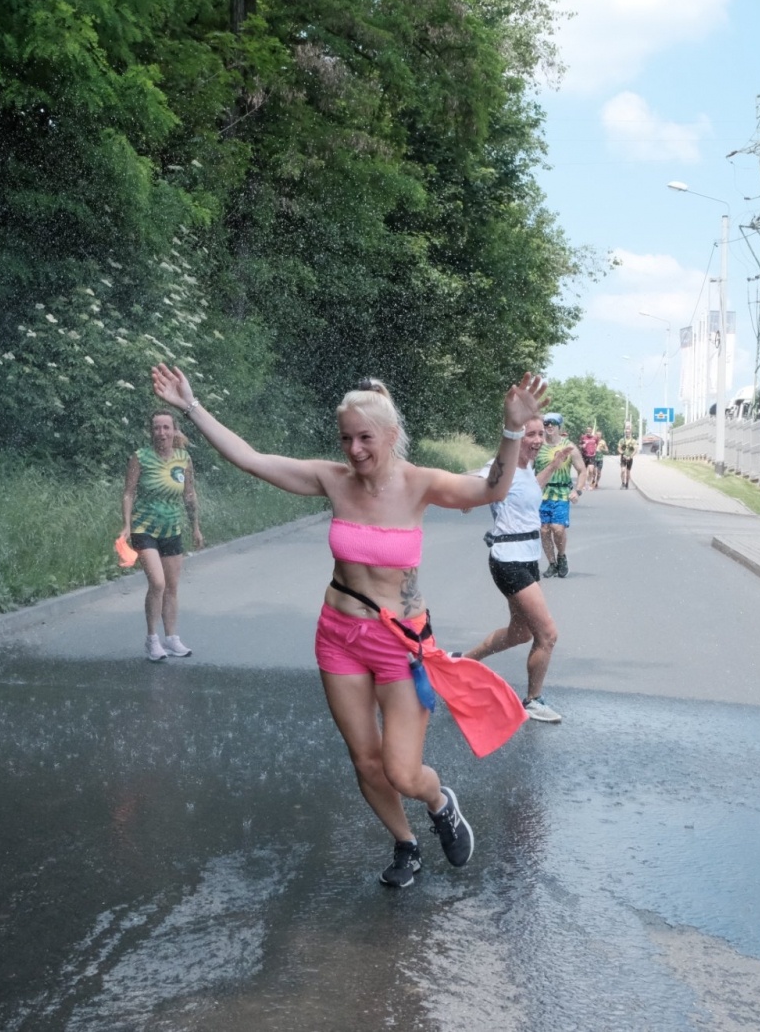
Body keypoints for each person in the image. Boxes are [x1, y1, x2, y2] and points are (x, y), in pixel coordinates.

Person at [150, 363, 548, 887]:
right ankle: (406, 843)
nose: (354, 450)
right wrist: (192, 406)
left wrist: (513, 429)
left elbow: (492, 491)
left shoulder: (419, 484)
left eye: (365, 438)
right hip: (338, 636)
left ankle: (438, 801)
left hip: (400, 644)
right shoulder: (332, 480)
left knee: (403, 770)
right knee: (365, 760)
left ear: (390, 435)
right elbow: (250, 459)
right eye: (346, 439)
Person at [464, 416, 564, 722]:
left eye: (539, 434)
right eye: (529, 435)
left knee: (520, 633)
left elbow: (528, 491)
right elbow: (475, 488)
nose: (537, 440)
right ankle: (533, 700)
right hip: (509, 559)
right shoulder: (501, 467)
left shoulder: (527, 467)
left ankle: (462, 663)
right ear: (514, 439)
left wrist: (552, 466)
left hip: (528, 557)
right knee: (547, 634)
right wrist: (467, 498)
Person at [122, 410, 204, 662]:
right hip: (144, 528)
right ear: (151, 431)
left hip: (172, 529)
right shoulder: (140, 457)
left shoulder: (183, 458)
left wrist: (195, 527)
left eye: (166, 428)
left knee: (171, 587)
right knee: (157, 583)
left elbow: (189, 495)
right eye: (157, 428)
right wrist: (126, 526)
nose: (161, 433)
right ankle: (152, 640)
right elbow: (128, 493)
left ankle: (171, 638)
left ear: (174, 430)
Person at [535, 413, 584, 578]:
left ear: (559, 426)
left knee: (557, 528)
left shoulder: (568, 447)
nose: (549, 426)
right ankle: (552, 564)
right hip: (541, 494)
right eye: (546, 423)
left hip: (562, 493)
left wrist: (577, 490)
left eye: (553, 423)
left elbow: (582, 470)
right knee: (543, 530)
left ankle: (562, 557)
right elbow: (526, 468)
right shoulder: (538, 446)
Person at [617, 423, 640, 490]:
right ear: (625, 432)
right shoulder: (622, 440)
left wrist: (630, 456)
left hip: (630, 458)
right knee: (623, 471)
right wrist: (622, 454)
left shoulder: (633, 441)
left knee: (628, 472)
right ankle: (623, 483)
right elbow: (619, 448)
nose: (627, 433)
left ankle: (627, 483)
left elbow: (635, 450)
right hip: (623, 458)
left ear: (630, 432)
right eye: (626, 432)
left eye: (628, 432)